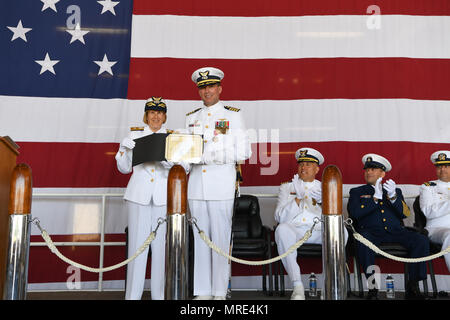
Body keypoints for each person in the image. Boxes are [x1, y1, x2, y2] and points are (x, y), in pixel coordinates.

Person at [185, 67, 252, 300]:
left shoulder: (233, 115)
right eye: (202, 87)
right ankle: (202, 292)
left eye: (211, 86)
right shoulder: (191, 117)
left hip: (221, 184)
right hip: (196, 187)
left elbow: (244, 151)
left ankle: (220, 292)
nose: (207, 91)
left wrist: (209, 154)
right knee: (201, 239)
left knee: (220, 241)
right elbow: (186, 154)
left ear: (219, 88)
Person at [115, 97, 176, 300]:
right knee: (137, 250)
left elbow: (184, 167)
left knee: (160, 252)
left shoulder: (172, 138)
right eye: (152, 112)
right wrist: (123, 150)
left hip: (162, 199)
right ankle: (132, 297)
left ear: (164, 116)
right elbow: (124, 169)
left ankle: (159, 296)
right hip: (138, 197)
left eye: (159, 113)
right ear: (146, 116)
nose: (156, 116)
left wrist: (167, 160)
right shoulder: (134, 136)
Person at [347, 153, 430, 300]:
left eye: (373, 169)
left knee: (421, 240)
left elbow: (405, 213)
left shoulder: (394, 191)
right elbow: (355, 213)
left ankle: (413, 286)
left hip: (395, 232)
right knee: (362, 241)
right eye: (367, 169)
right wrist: (374, 199)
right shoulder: (357, 192)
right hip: (370, 233)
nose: (369, 172)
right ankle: (373, 289)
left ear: (383, 173)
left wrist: (393, 197)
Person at [274, 147, 348, 300]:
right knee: (282, 230)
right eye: (301, 164)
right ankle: (297, 286)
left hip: (319, 231)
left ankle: (327, 286)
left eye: (308, 164)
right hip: (296, 231)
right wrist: (297, 199)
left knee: (342, 231)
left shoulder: (327, 186)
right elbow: (279, 217)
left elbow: (335, 216)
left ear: (317, 168)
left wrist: (324, 201)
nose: (303, 167)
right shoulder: (287, 187)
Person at [419, 150, 450, 271]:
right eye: (439, 166)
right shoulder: (428, 187)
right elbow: (428, 211)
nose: (442, 170)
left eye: (446, 166)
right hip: (436, 229)